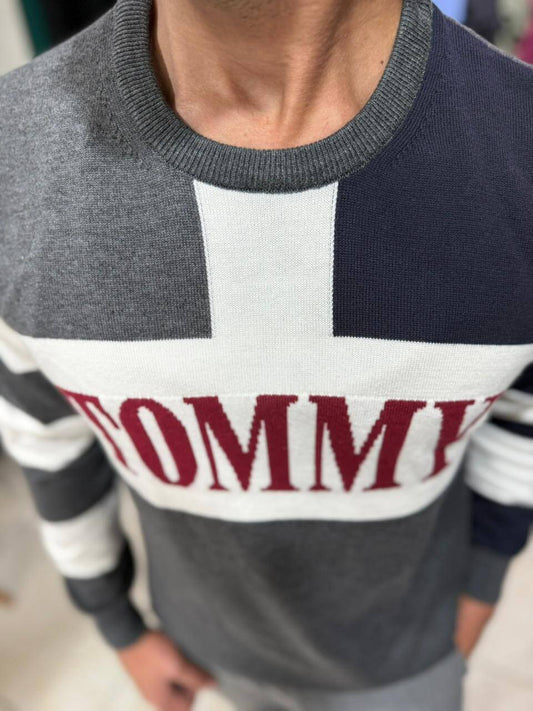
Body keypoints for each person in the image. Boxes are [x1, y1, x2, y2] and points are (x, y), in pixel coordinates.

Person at [0, 0, 532, 709]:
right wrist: (116, 621)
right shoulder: (13, 159)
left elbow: (523, 412)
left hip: (410, 653)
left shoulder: (514, 147)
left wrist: (482, 586)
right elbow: (46, 434)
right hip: (198, 644)